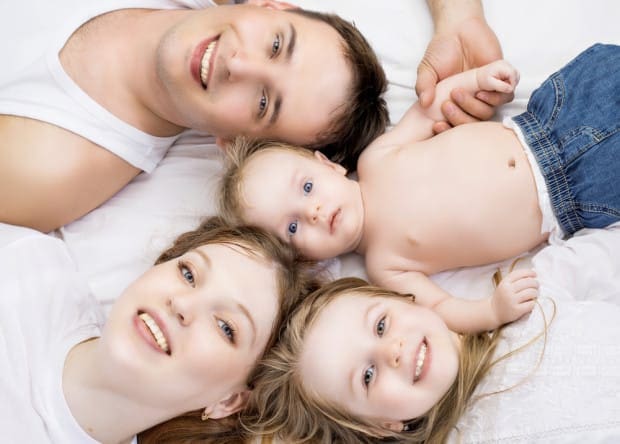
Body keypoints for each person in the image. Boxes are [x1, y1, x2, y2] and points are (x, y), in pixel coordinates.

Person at [0, 0, 508, 233]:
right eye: (275, 44)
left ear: (231, 143)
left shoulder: (48, 170)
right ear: (270, 7)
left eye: (264, 104)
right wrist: (461, 17)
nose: (236, 64)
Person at [219, 43, 620, 334]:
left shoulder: (375, 159)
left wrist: (476, 80)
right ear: (303, 259)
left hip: (551, 117)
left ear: (327, 164)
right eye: (292, 228)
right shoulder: (385, 265)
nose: (313, 212)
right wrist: (491, 312)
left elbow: (429, 109)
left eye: (306, 187)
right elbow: (441, 307)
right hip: (577, 191)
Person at [243, 224, 620, 443]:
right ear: (381, 426)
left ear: (412, 301)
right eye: (368, 376)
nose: (392, 350)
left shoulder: (526, 301)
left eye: (381, 325)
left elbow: (605, 258)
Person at [0, 216, 318, 443]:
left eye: (225, 327)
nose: (182, 305)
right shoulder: (27, 266)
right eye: (189, 274)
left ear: (230, 400)